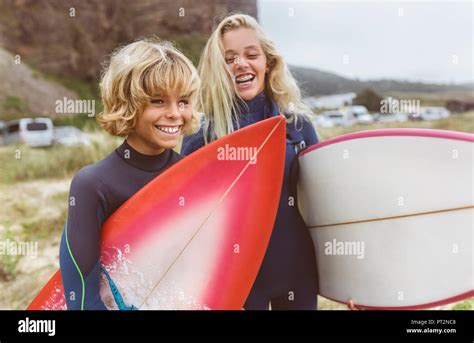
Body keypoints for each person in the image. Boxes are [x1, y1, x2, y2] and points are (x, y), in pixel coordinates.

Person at [182, 14, 319, 310]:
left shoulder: (297, 124)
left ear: (267, 62)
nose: (240, 64)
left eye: (251, 54)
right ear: (218, 68)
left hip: (298, 271)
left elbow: (326, 204)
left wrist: (351, 280)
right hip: (236, 279)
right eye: (229, 58)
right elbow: (185, 218)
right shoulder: (203, 135)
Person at [59, 38, 200, 310]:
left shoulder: (191, 176)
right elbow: (83, 302)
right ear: (128, 103)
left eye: (183, 101)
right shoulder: (92, 185)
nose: (174, 113)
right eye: (158, 101)